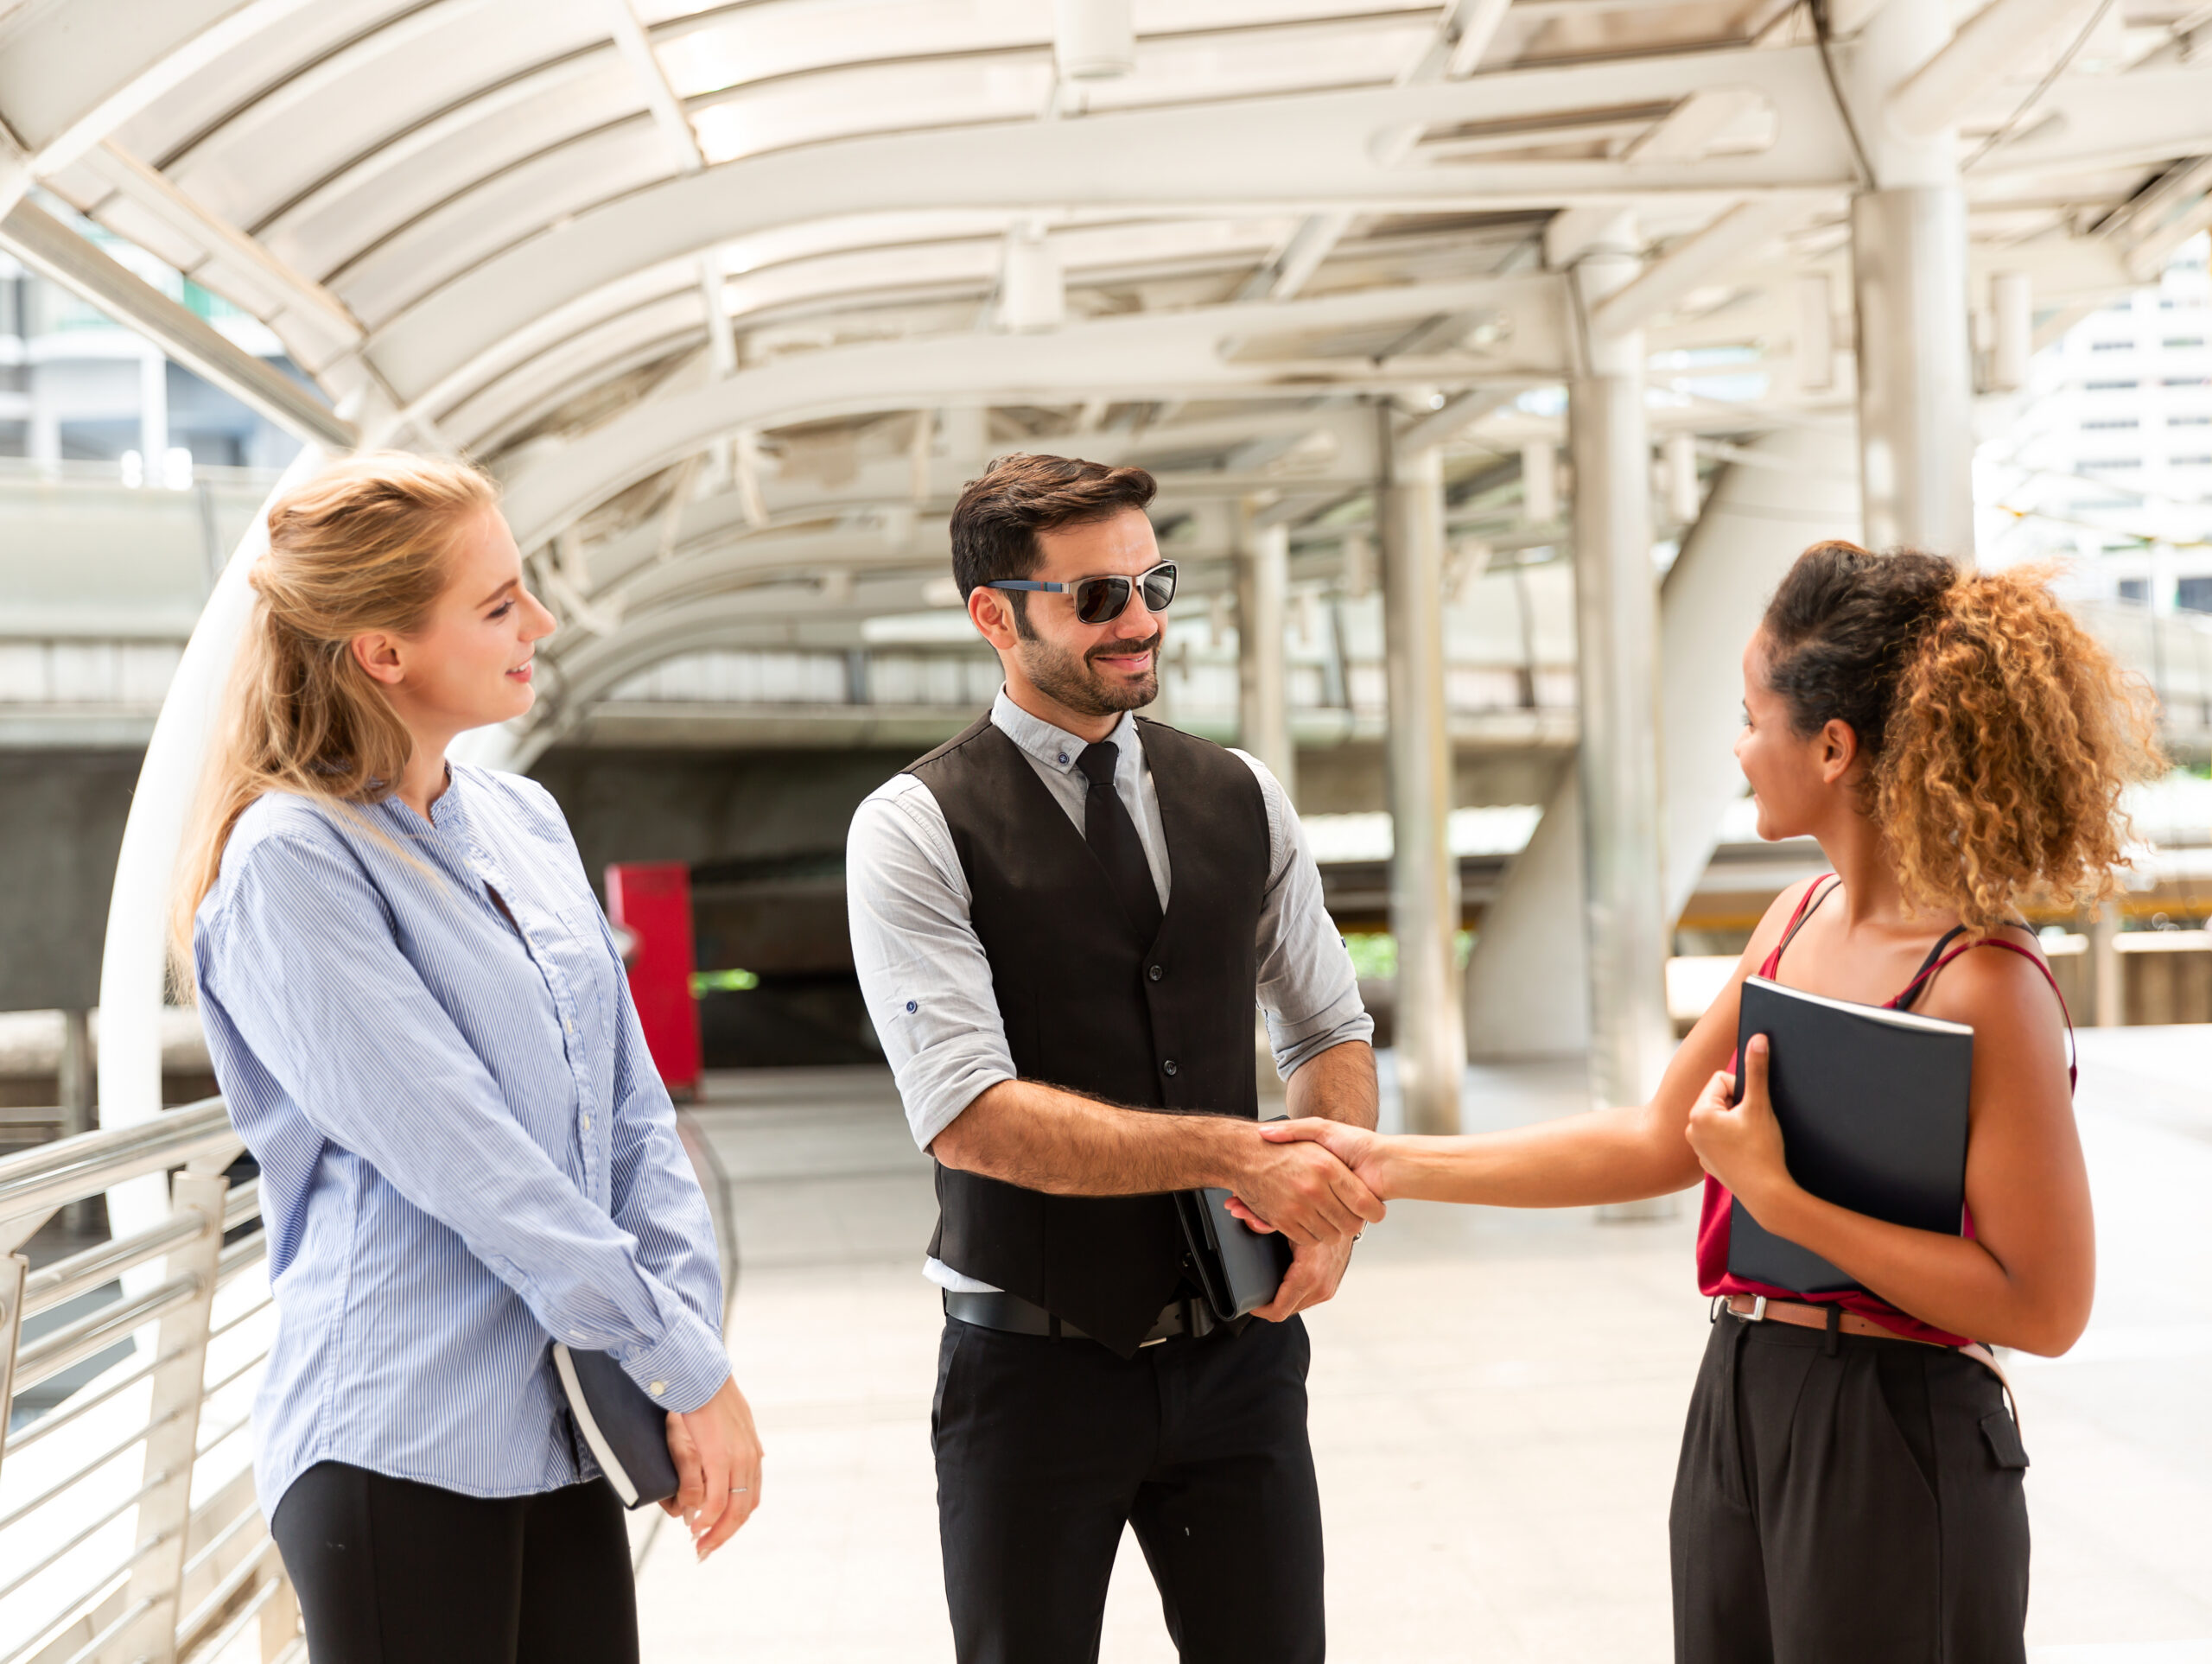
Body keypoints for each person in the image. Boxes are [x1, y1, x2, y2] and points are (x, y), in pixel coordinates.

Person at [1249, 543, 2162, 1662]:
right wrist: (1381, 1158)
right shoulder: (1794, 919)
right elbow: (1652, 1136)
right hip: (1742, 1388)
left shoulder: (1986, 981)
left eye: (1749, 716)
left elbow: (2046, 1304)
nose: (1736, 748)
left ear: (1831, 746)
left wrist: (1783, 1195)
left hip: (1898, 1420)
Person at [175, 453, 763, 1664]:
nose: (538, 623)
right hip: (399, 1443)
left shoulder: (526, 819)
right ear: (383, 652)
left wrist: (683, 1344)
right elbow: (473, 1159)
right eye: (498, 605)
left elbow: (633, 1110)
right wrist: (677, 1360)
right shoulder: (292, 863)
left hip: (561, 1428)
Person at [846, 453, 1385, 1664]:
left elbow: (1327, 1025)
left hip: (1241, 1360)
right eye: (1097, 597)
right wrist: (1242, 1152)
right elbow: (970, 1115)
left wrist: (1332, 1203)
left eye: (1156, 583)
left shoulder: (1241, 793)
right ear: (996, 614)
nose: (1140, 619)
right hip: (1030, 1371)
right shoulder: (913, 827)